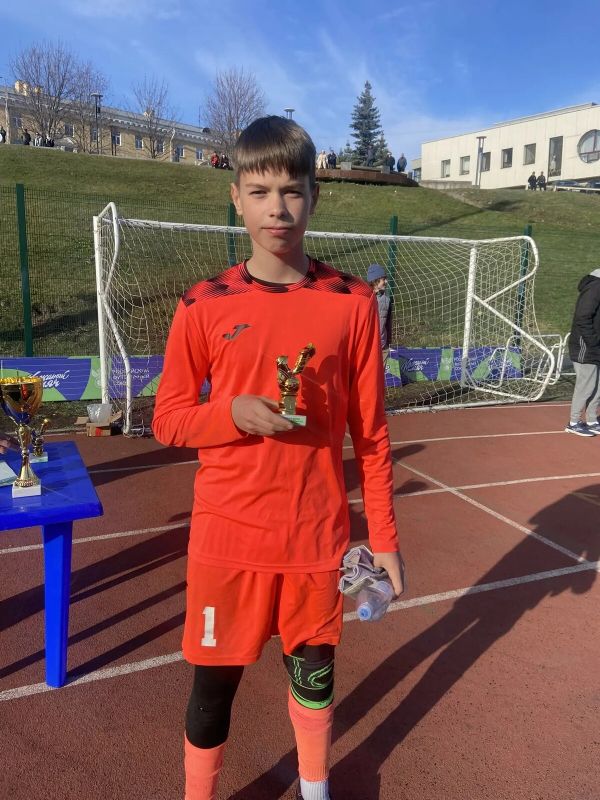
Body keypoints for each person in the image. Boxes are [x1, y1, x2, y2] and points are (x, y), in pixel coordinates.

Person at [152, 115, 404, 800]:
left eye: (292, 191)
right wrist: (230, 413)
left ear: (314, 196)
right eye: (260, 192)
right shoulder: (203, 304)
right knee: (212, 692)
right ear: (236, 196)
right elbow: (167, 419)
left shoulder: (353, 303)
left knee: (315, 683)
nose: (277, 209)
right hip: (227, 542)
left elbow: (372, 436)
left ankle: (315, 788)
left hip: (314, 542)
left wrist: (385, 540)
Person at [565, 268, 600, 437]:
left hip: (596, 344)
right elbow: (583, 316)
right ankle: (574, 422)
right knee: (586, 384)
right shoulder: (595, 287)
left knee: (598, 385)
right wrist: (592, 341)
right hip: (585, 344)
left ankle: (592, 420)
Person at [367, 263, 393, 372]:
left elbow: (388, 323)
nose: (386, 282)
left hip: (382, 346)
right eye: (383, 279)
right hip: (368, 347)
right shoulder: (365, 298)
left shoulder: (387, 300)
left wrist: (388, 341)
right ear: (375, 281)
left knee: (380, 376)